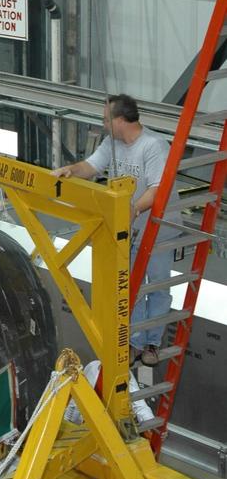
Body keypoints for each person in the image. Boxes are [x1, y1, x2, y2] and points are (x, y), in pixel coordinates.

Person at [52, 93, 177, 367]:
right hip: (128, 229)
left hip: (157, 229)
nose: (104, 125)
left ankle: (152, 343)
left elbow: (158, 189)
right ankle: (133, 341)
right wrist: (70, 170)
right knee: (128, 286)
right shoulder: (112, 143)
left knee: (155, 286)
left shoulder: (154, 146)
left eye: (106, 120)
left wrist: (133, 210)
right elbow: (91, 165)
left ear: (121, 120)